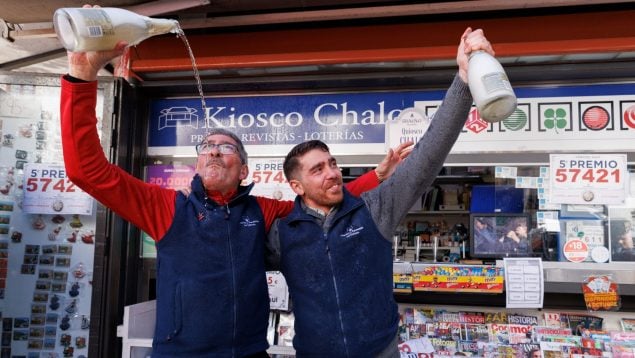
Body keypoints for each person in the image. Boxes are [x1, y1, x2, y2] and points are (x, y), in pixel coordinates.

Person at [59, 5, 411, 356]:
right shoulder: (168, 207)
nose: (213, 151)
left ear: (244, 170)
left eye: (226, 147)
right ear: (197, 163)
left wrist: (376, 176)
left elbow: (319, 199)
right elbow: (87, 170)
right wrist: (81, 74)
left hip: (250, 352)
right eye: (207, 146)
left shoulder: (262, 212)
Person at [266, 28, 494, 357]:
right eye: (318, 169)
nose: (332, 173)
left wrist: (463, 79)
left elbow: (428, 155)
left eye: (332, 163)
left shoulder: (373, 208)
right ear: (296, 186)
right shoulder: (281, 233)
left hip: (380, 351)